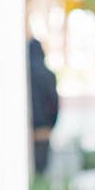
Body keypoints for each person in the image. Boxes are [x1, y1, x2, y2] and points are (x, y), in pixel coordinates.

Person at [28, 36, 59, 177]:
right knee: (41, 172)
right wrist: (50, 125)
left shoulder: (25, 75)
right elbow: (54, 104)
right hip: (43, 131)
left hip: (29, 129)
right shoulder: (48, 75)